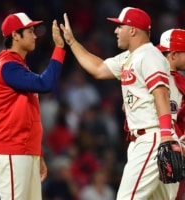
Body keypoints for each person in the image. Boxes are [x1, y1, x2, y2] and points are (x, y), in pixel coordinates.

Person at [60, 6, 179, 200]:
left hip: (153, 137)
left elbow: (161, 95)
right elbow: (98, 68)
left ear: (132, 30)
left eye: (120, 26)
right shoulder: (128, 57)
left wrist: (165, 137)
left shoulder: (149, 55)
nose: (116, 30)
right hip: (143, 139)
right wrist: (72, 42)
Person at [0, 12, 66, 200]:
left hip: (23, 150)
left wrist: (37, 152)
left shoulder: (18, 66)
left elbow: (28, 116)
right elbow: (45, 84)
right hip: (11, 149)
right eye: (30, 31)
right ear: (15, 35)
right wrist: (59, 48)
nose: (35, 35)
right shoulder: (7, 66)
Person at [157, 28, 185, 200]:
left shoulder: (145, 76)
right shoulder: (179, 82)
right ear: (173, 55)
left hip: (158, 149)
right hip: (169, 148)